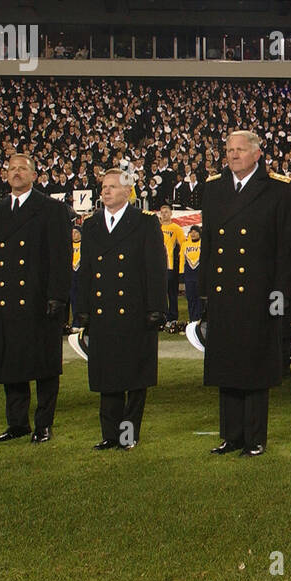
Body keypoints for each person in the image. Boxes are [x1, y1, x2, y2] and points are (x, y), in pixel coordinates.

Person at [201, 130, 291, 458]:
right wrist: (206, 294)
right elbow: (209, 248)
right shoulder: (213, 188)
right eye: (229, 150)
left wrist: (281, 297)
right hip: (223, 293)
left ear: (257, 154)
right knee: (226, 364)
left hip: (261, 295)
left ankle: (255, 437)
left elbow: (289, 247)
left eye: (240, 150)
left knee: (256, 367)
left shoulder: (279, 189)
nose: (233, 155)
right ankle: (231, 436)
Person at [0, 153, 72, 444]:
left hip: (39, 299)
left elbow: (60, 256)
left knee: (44, 365)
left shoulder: (51, 208)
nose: (16, 173)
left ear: (35, 176)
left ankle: (43, 424)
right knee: (11, 362)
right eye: (11, 169)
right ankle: (16, 423)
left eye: (23, 169)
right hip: (5, 300)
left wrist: (57, 296)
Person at [78, 168, 166, 450]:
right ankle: (109, 434)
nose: (105, 191)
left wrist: (156, 308)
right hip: (103, 313)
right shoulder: (91, 226)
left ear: (128, 192)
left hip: (135, 312)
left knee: (134, 377)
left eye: (112, 187)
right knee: (107, 377)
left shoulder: (144, 223)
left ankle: (128, 434)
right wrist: (82, 309)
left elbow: (155, 268)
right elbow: (86, 271)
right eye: (104, 187)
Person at [158, 203, 186, 321]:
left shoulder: (176, 228)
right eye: (162, 212)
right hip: (158, 266)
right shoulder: (157, 227)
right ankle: (161, 315)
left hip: (170, 265)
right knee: (159, 293)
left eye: (166, 212)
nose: (164, 214)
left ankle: (173, 316)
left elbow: (183, 245)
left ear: (171, 214)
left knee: (172, 292)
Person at [182, 225, 203, 324]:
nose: (193, 233)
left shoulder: (203, 244)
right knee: (190, 298)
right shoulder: (185, 244)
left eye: (196, 231)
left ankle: (200, 319)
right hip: (189, 275)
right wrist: (181, 273)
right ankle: (192, 320)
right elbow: (182, 259)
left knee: (200, 298)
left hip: (200, 275)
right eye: (192, 232)